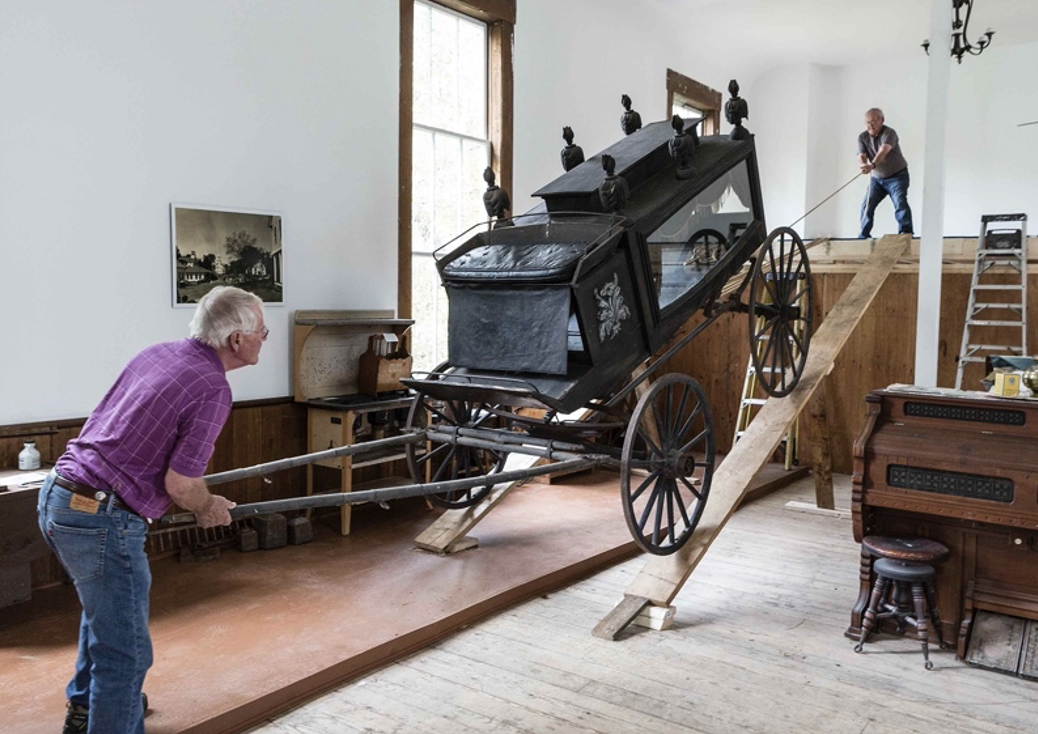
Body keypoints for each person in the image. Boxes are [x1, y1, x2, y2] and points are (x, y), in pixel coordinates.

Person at [37, 286, 267, 734]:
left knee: (103, 613)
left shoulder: (159, 353)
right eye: (263, 331)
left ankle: (85, 710)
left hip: (59, 495)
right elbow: (181, 484)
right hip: (100, 515)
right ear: (237, 339)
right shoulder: (212, 388)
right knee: (127, 651)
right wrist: (208, 506)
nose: (264, 339)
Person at [858, 108, 913, 238]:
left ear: (882, 120)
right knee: (867, 205)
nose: (870, 125)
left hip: (897, 176)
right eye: (867, 122)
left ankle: (905, 232)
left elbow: (883, 150)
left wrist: (872, 165)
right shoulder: (862, 137)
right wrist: (863, 165)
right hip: (877, 179)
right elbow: (861, 155)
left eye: (873, 122)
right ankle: (863, 235)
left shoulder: (889, 133)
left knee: (900, 202)